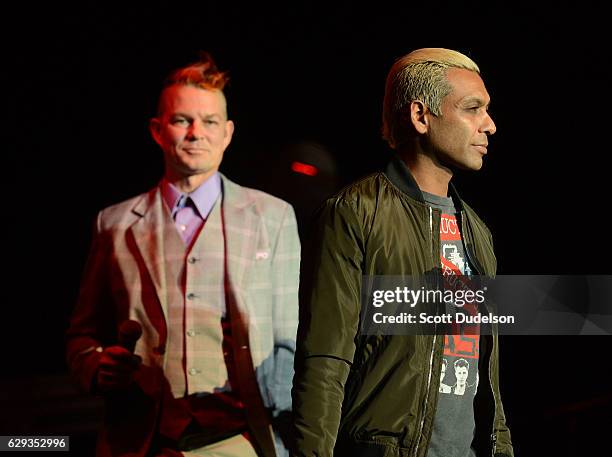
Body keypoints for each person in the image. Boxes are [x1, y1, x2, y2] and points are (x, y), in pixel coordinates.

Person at [66, 53, 300, 457]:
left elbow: (291, 335)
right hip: (142, 441)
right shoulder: (115, 223)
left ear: (227, 133)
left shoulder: (272, 217)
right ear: (158, 131)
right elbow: (82, 336)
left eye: (209, 122)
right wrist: (96, 365)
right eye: (181, 120)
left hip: (243, 439)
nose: (196, 133)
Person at [292, 48, 513, 457]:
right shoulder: (356, 213)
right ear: (420, 116)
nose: (490, 125)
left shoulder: (478, 234)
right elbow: (325, 359)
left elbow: (488, 377)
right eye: (472, 108)